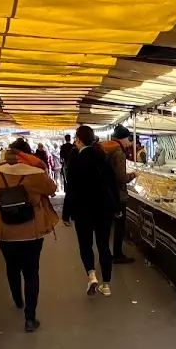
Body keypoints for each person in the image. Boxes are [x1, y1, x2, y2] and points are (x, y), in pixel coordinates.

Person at [0, 138, 58, 332]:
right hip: (32, 231)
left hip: (5, 231)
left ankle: (17, 299)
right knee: (31, 272)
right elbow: (52, 189)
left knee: (11, 266)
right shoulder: (35, 173)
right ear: (28, 155)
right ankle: (30, 319)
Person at [62, 125, 119, 296]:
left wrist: (66, 213)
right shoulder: (103, 157)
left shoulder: (76, 160)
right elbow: (113, 184)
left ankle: (92, 275)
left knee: (85, 244)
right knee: (103, 245)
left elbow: (70, 189)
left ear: (79, 140)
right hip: (103, 209)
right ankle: (106, 285)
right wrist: (115, 207)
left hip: (82, 211)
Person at [101, 124, 137, 264]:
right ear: (122, 138)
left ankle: (106, 254)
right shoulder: (119, 152)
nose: (130, 142)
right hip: (117, 195)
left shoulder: (106, 148)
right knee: (120, 226)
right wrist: (134, 175)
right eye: (128, 138)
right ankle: (117, 254)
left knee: (106, 226)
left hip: (105, 194)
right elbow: (121, 178)